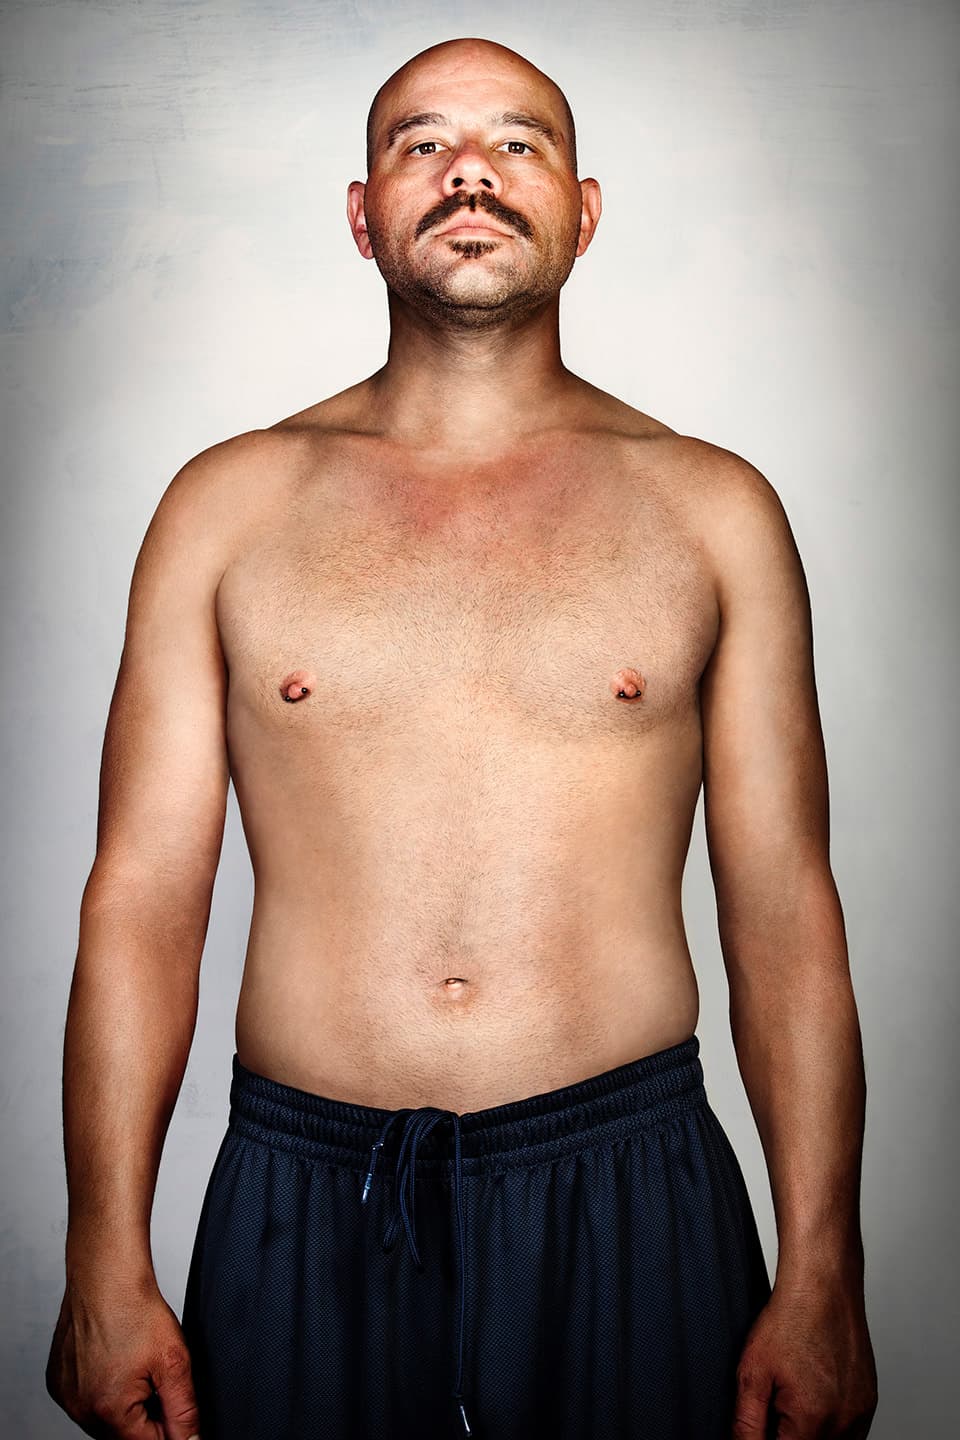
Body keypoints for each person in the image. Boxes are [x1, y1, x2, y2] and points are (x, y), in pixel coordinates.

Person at [45, 34, 878, 1440]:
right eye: (422, 144)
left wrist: (824, 1273)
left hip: (629, 1180)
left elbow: (787, 912)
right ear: (362, 212)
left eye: (517, 142)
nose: (469, 172)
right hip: (302, 1191)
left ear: (584, 212)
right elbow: (140, 904)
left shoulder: (712, 511)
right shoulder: (226, 507)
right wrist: (100, 1260)